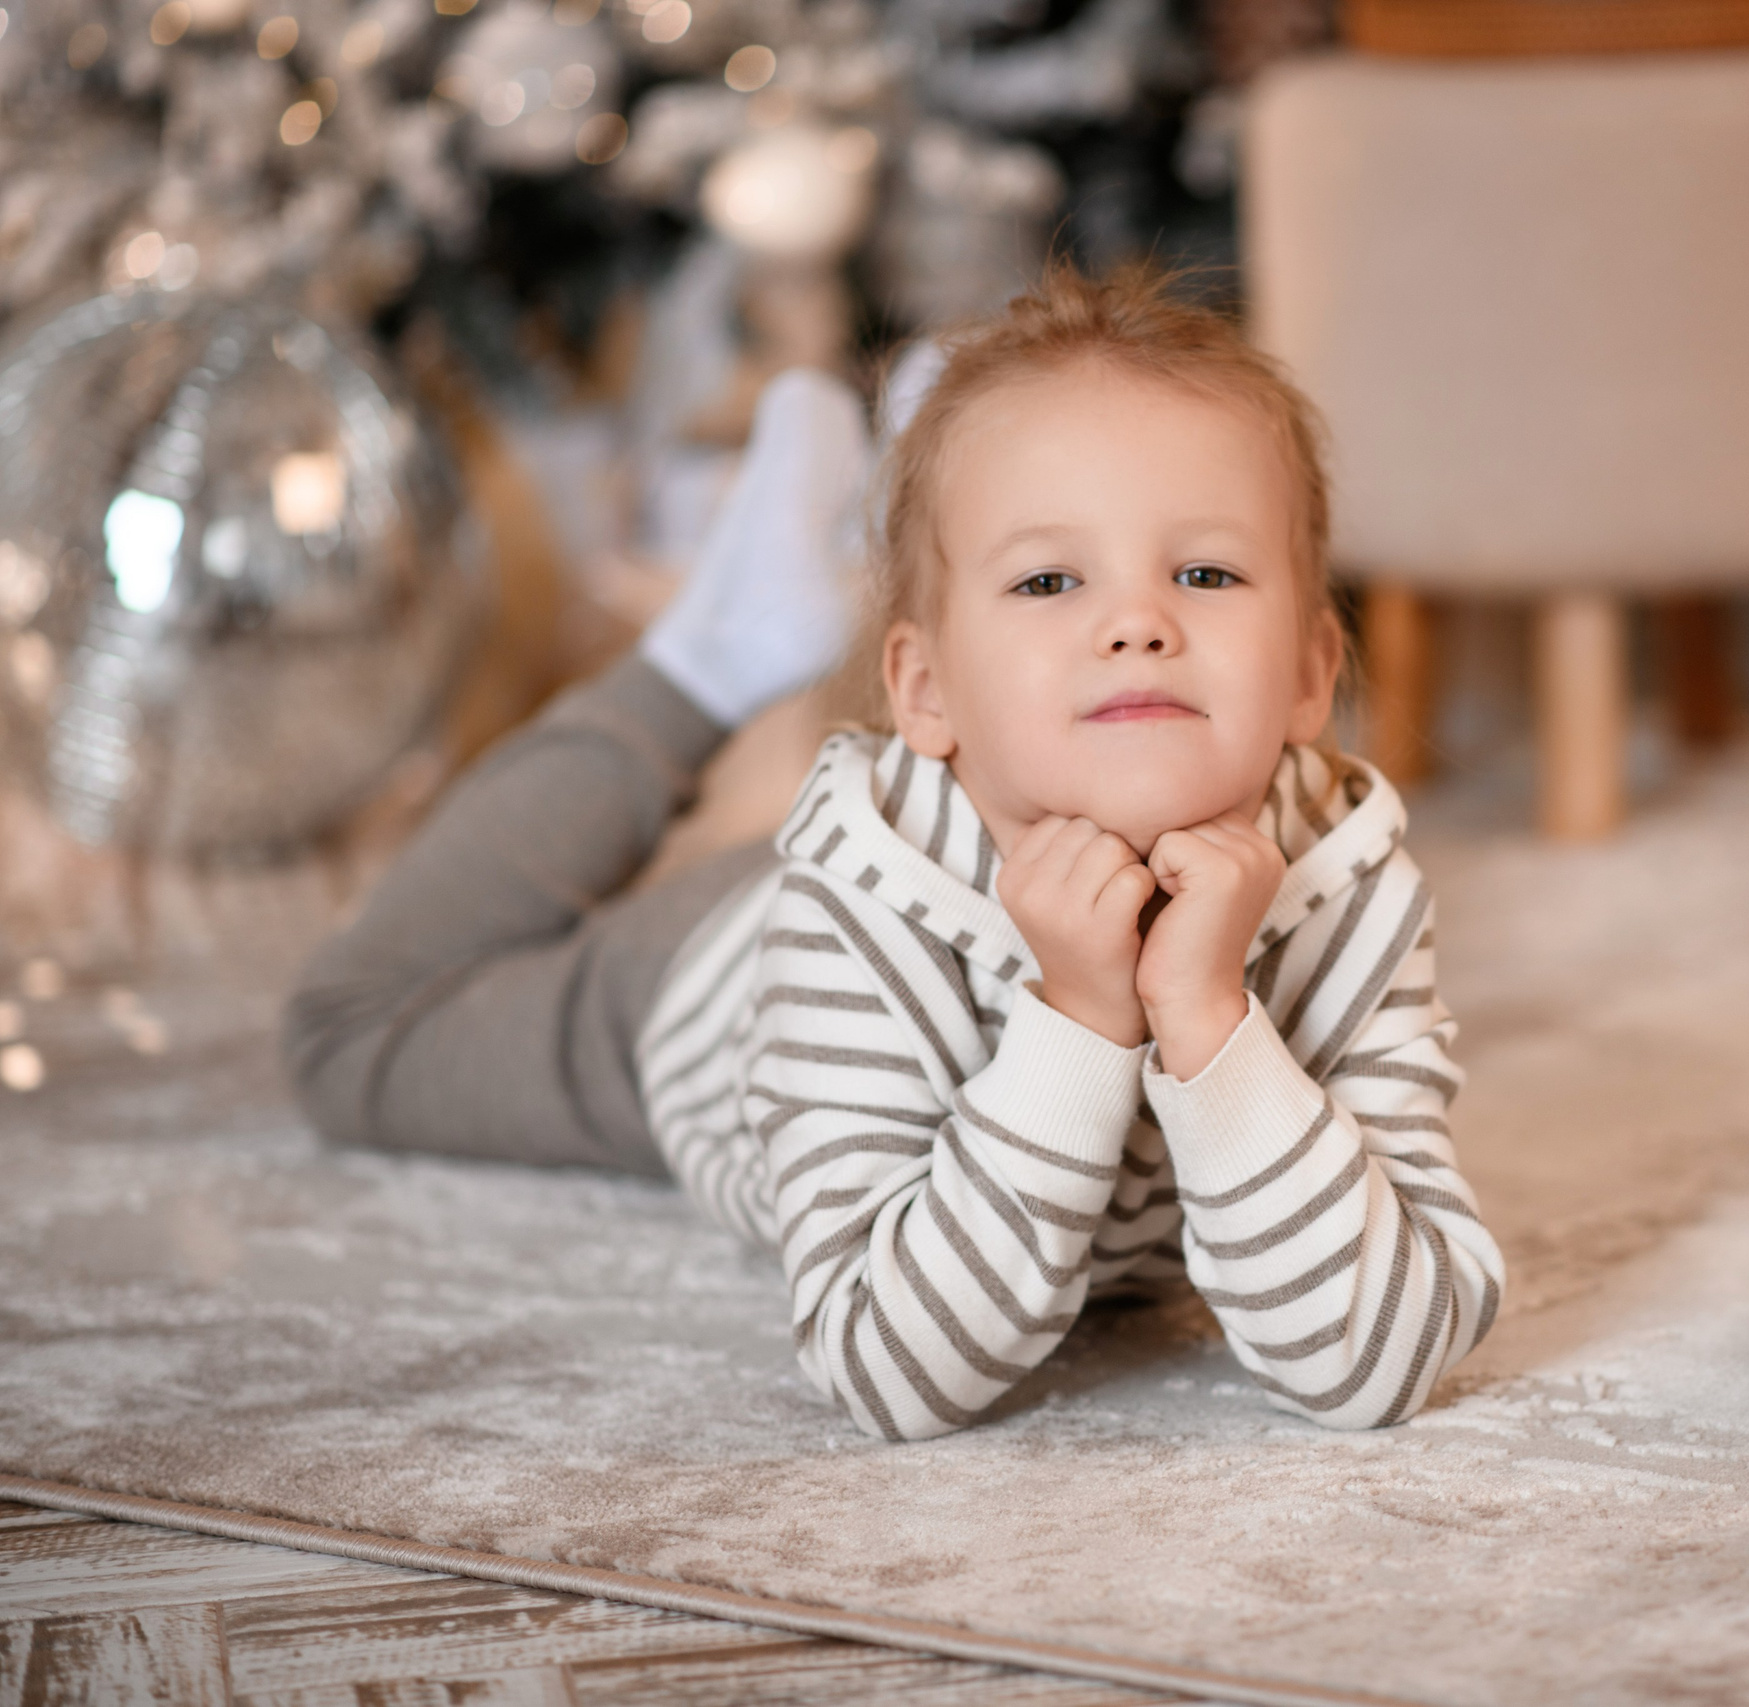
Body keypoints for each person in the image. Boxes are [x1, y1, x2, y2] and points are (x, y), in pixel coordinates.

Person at [285, 265, 1504, 1441]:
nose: (1139, 621)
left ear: (1309, 673)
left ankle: (923, 496)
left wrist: (1210, 1018)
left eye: (1204, 570)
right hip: (717, 979)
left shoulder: (1350, 881)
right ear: (922, 691)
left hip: (939, 834)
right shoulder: (853, 920)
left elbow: (1378, 1358)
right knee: (352, 1036)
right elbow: (889, 1369)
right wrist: (1080, 1022)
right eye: (1049, 579)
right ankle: (710, 658)